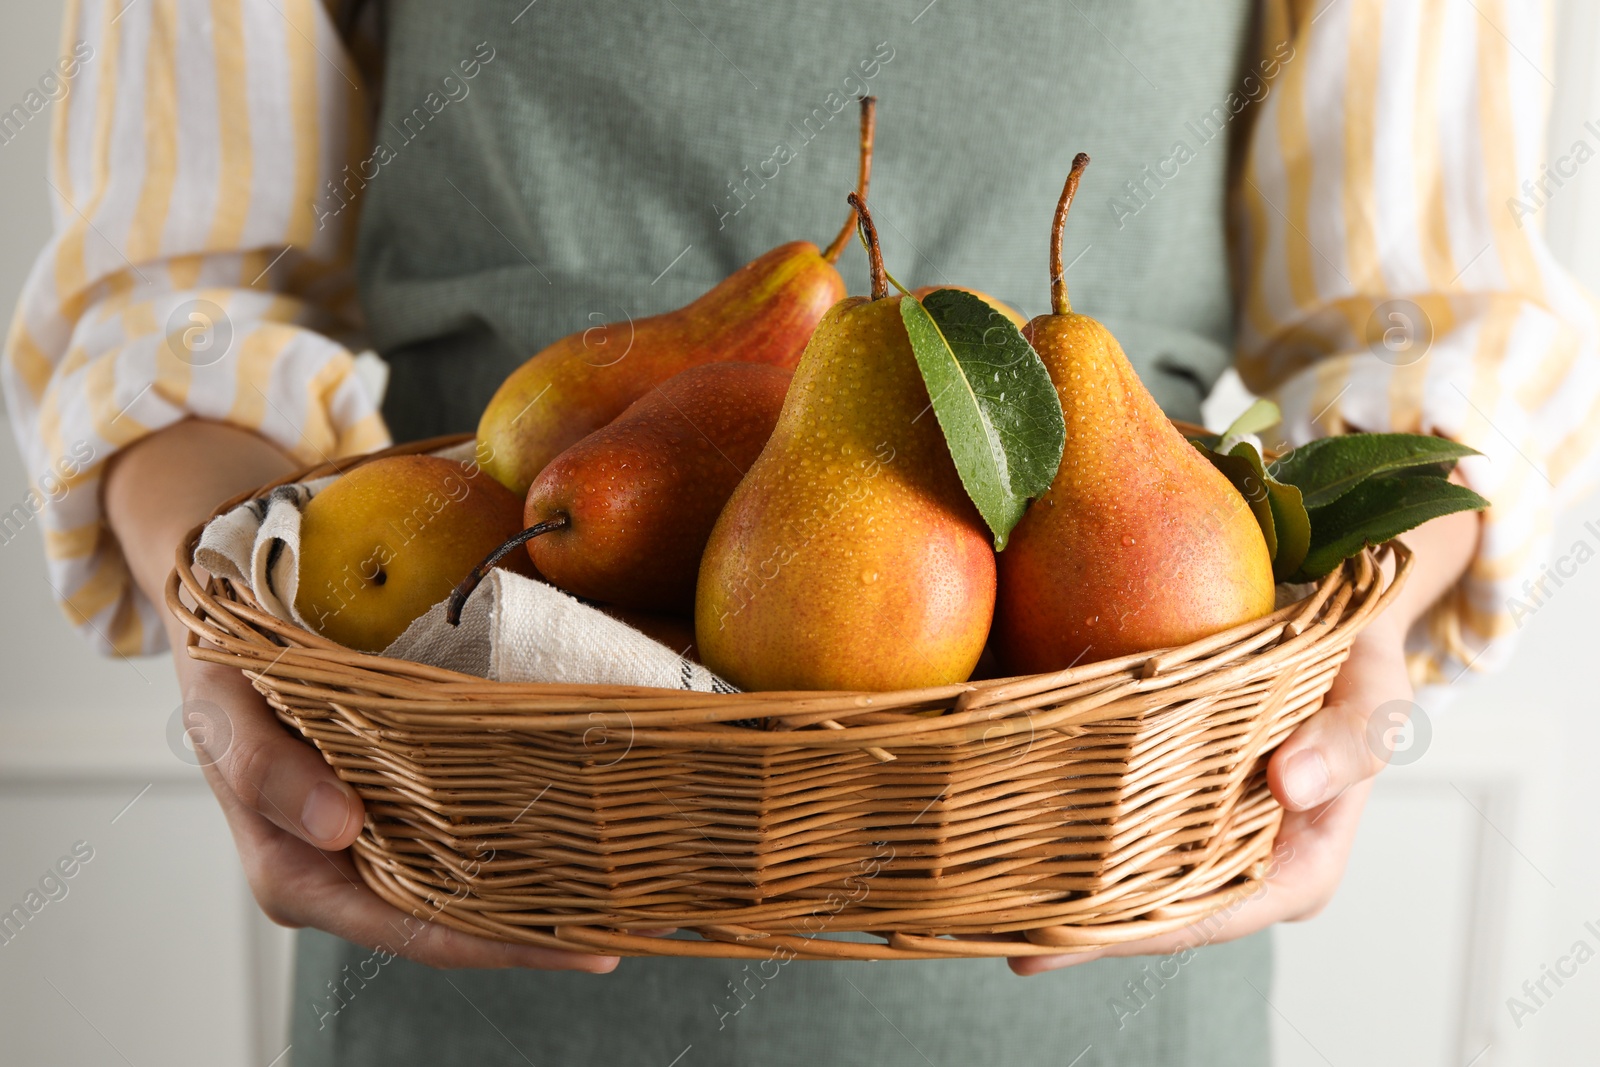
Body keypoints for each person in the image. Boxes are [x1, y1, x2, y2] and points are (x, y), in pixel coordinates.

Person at [5, 0, 1593, 1063]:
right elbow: (173, 297)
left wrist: (1366, 631)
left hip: (1098, 880)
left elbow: (1442, 324)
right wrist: (226, 611)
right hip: (466, 847)